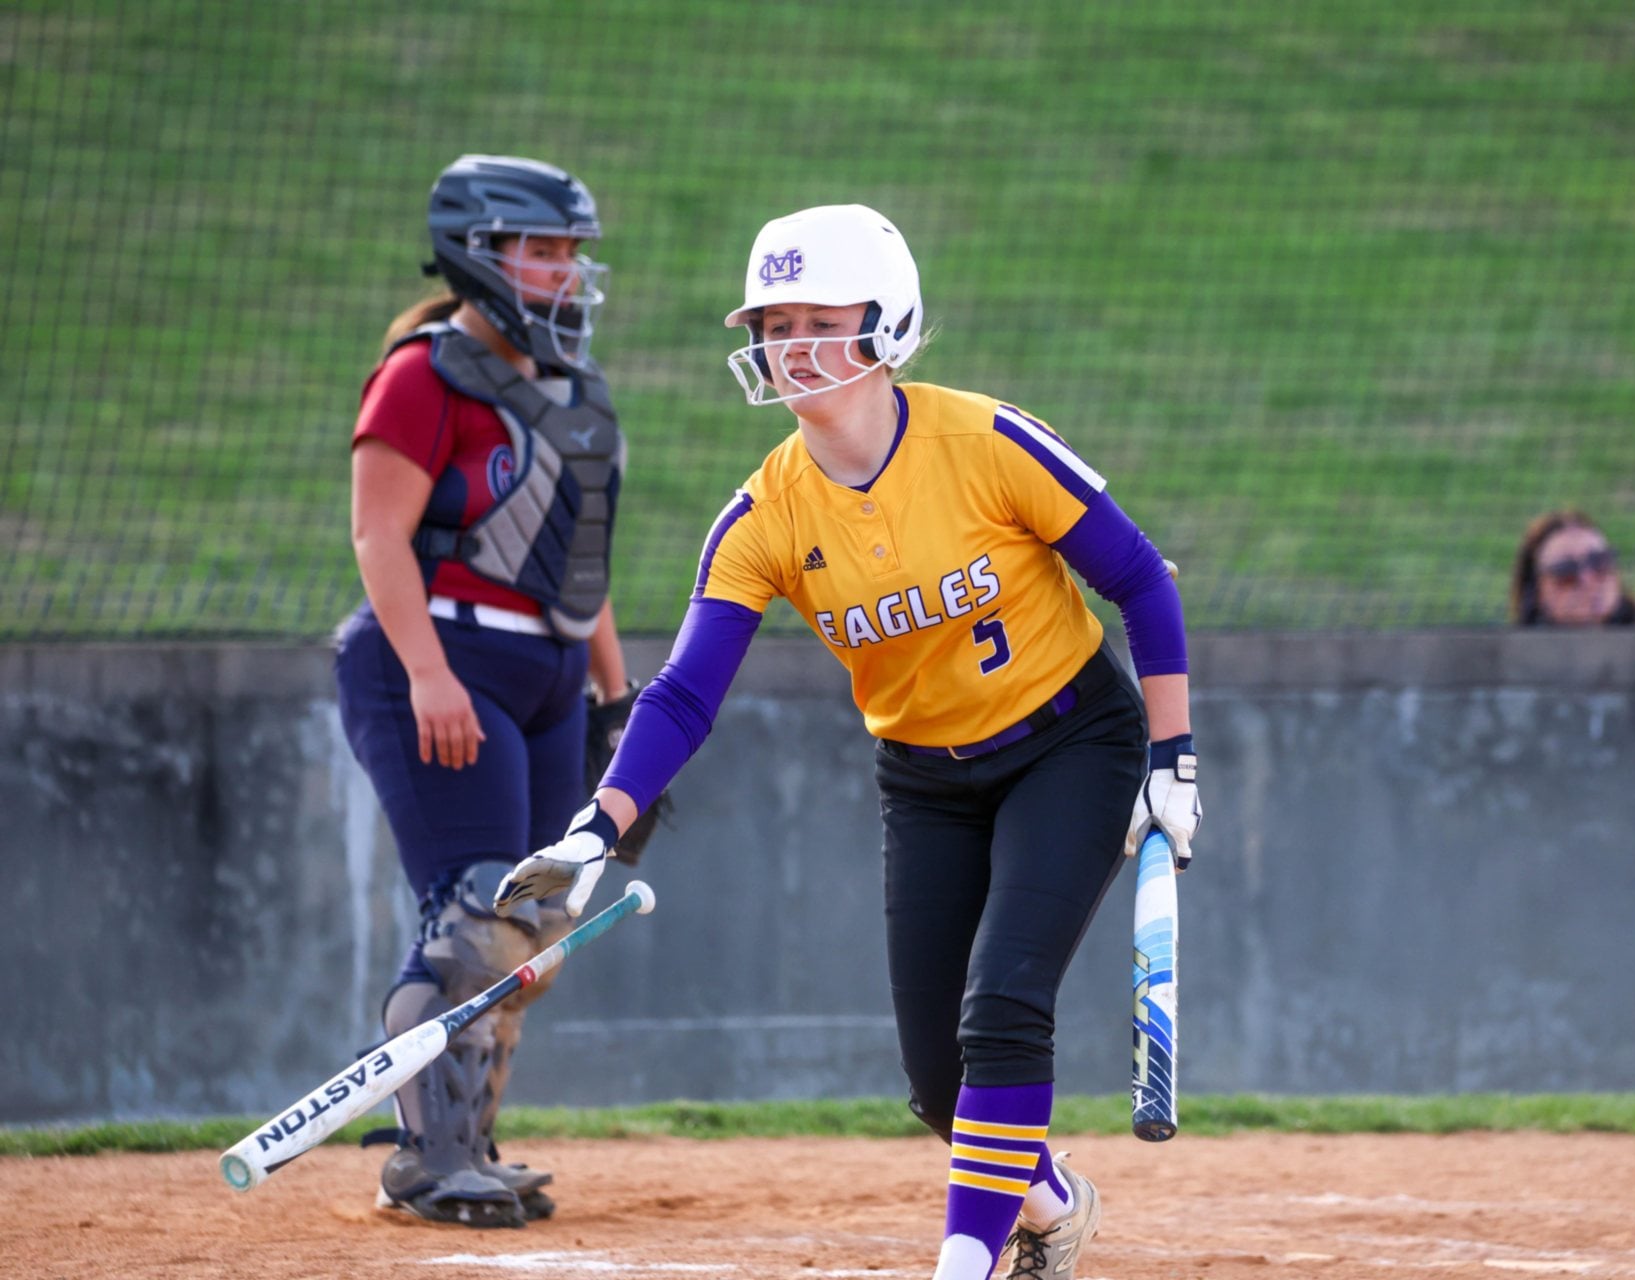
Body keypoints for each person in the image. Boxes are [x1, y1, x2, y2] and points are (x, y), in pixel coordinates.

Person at [492, 204, 1201, 1280]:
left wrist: (1171, 757)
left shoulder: (985, 441)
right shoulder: (764, 514)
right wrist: (599, 824)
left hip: (1071, 743)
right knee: (938, 1081)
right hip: (926, 778)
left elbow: (1140, 577)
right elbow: (683, 694)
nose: (793, 348)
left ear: (890, 324)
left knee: (1004, 1003)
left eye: (822, 322)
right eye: (776, 326)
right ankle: (1050, 1204)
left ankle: (964, 1262)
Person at [335, 154, 646, 1228]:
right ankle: (428, 1156)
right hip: (442, 659)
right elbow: (378, 534)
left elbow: (580, 571)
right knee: (473, 907)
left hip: (549, 674)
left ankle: (466, 1141)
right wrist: (427, 672)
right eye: (543, 251)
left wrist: (616, 704)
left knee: (531, 922)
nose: (565, 272)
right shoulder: (423, 376)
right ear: (479, 253)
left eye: (572, 253)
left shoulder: (574, 388)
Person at [1510, 509, 1635, 628]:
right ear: (1536, 591)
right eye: (1566, 569)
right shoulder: (1515, 658)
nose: (1587, 579)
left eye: (1598, 561)